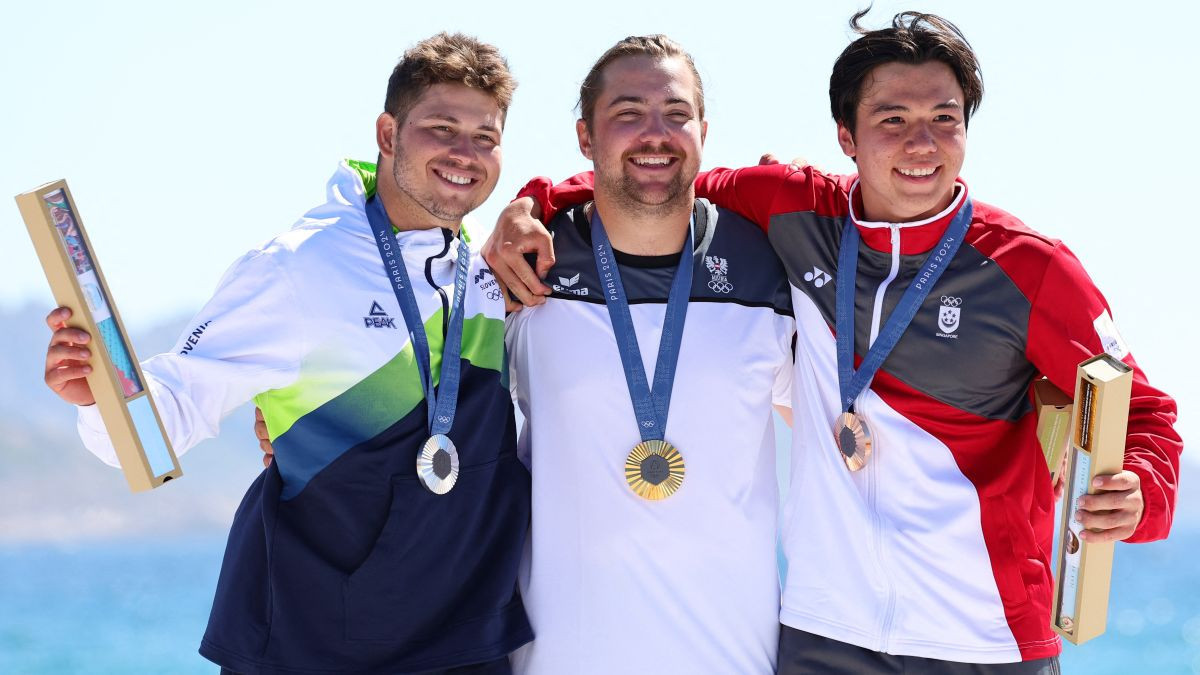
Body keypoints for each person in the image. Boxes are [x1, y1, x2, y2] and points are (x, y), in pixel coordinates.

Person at [485, 12, 1182, 674]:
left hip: (987, 633)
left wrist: (1142, 492)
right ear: (846, 137)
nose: (921, 143)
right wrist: (532, 204)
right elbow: (650, 178)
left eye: (945, 119)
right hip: (827, 635)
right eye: (893, 120)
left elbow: (1145, 411)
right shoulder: (796, 212)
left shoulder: (1029, 266)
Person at [43, 33, 532, 674]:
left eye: (486, 138)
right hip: (310, 640)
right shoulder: (298, 268)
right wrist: (98, 394)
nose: (465, 154)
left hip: (464, 641)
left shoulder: (487, 274)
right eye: (442, 128)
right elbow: (173, 409)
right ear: (387, 135)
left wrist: (539, 204)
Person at [502, 35, 794, 673]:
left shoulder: (772, 269)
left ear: (704, 130)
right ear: (586, 137)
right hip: (558, 659)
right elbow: (428, 390)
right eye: (628, 114)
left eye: (676, 114)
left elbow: (859, 424)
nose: (655, 135)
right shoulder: (525, 269)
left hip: (731, 657)